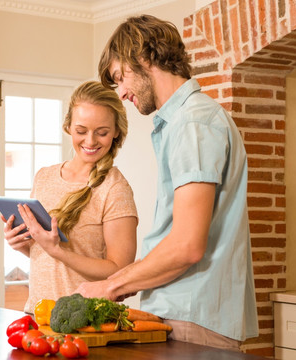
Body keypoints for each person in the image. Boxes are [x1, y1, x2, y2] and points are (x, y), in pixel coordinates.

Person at [75, 15, 258, 351]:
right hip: (183, 314)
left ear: (142, 58)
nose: (123, 92)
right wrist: (120, 282)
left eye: (121, 77)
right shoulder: (183, 122)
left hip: (193, 317)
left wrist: (110, 287)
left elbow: (187, 245)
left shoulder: (193, 123)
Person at [3, 80, 138, 314]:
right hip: (36, 314)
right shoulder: (44, 177)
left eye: (102, 132)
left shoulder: (115, 188)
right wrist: (23, 244)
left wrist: (58, 250)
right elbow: (47, 256)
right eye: (81, 131)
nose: (90, 141)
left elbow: (120, 271)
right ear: (68, 127)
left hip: (86, 321)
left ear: (116, 131)